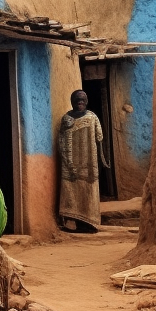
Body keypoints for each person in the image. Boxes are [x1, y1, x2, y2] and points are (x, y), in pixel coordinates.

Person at [58, 90, 109, 232]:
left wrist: (102, 160)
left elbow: (99, 139)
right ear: (72, 101)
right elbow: (61, 141)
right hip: (70, 166)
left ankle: (88, 223)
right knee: (71, 192)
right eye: (77, 99)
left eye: (82, 99)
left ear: (86, 101)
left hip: (89, 164)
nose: (80, 102)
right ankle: (71, 223)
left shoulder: (92, 118)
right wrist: (67, 161)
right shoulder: (66, 119)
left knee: (88, 192)